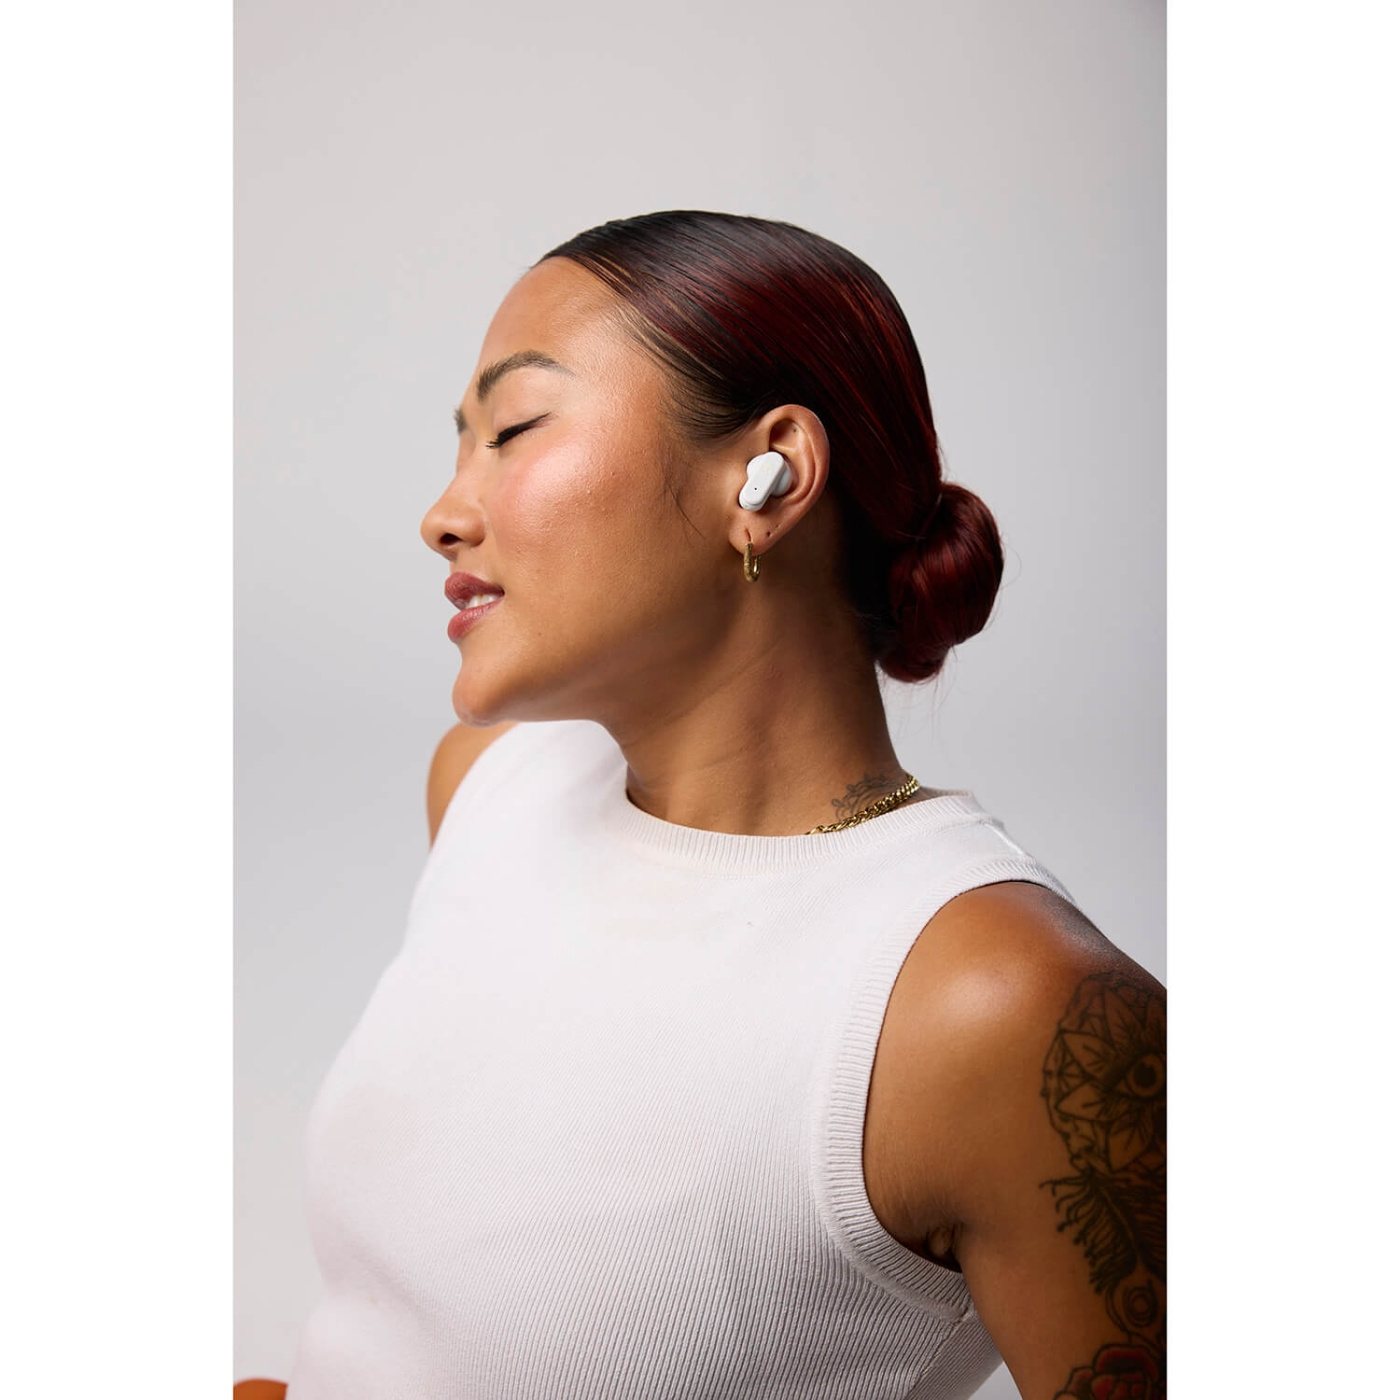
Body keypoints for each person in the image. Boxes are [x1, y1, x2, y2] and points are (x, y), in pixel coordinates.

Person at [262, 211, 1166, 1400]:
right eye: (461, 444)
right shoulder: (487, 786)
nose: (442, 513)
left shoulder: (995, 1005)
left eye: (513, 428)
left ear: (767, 474)